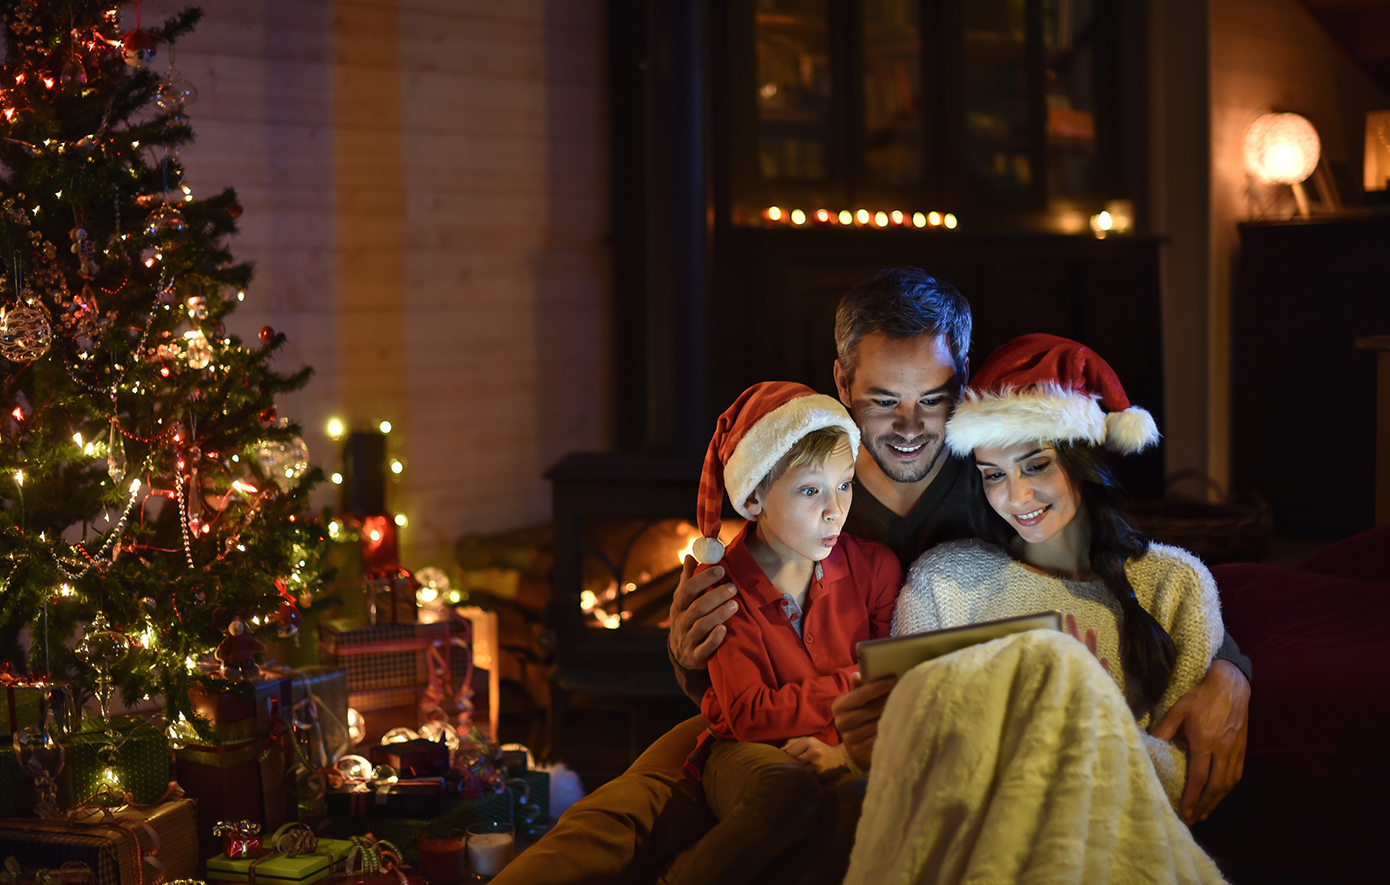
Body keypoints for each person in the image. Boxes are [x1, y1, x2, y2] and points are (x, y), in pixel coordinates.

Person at [494, 269, 1250, 884]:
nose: (912, 427)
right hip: (761, 722)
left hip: (865, 734)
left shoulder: (995, 477)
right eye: (883, 402)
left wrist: (1231, 671)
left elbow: (1125, 573)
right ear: (840, 382)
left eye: (934, 400)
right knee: (632, 804)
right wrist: (688, 653)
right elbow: (731, 651)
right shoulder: (803, 470)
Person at [844, 333, 1227, 882]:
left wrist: (1046, 732)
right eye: (993, 474)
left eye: (1036, 465)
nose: (1016, 496)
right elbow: (922, 769)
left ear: (1081, 456)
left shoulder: (1174, 584)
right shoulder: (945, 582)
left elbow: (1186, 783)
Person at [663, 381, 900, 885]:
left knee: (859, 803)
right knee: (785, 793)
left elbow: (893, 688)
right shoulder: (723, 588)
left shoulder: (876, 568)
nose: (835, 509)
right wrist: (857, 684)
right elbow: (748, 716)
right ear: (753, 500)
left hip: (844, 747)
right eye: (811, 490)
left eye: (845, 484)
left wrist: (843, 743)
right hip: (743, 754)